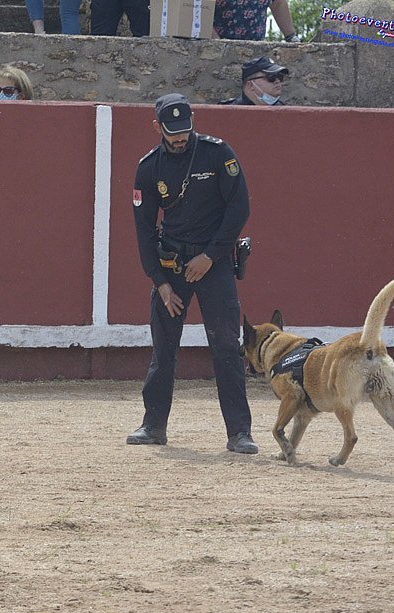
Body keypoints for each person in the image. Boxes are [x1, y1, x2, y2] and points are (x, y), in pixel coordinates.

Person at [127, 94, 257, 455]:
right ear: (157, 127)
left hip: (213, 264)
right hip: (173, 266)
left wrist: (210, 256)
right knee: (163, 348)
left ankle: (239, 432)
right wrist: (160, 282)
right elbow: (144, 230)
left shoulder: (217, 153)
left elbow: (239, 209)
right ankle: (153, 425)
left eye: (184, 129)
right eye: (172, 132)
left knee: (226, 346)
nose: (180, 137)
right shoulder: (149, 168)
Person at [219, 56, 289, 106]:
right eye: (271, 77)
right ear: (250, 85)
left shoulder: (286, 114)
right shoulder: (226, 112)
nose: (277, 81)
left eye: (280, 76)